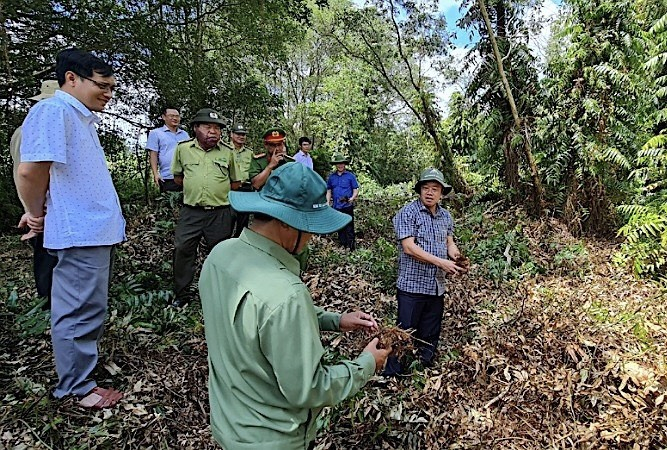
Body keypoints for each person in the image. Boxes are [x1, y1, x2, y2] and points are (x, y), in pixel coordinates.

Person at [199, 162, 391, 449]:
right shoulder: (287, 293)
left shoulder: (220, 256)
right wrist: (365, 364)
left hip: (230, 426)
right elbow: (309, 388)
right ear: (286, 222)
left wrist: (334, 320)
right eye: (309, 228)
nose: (312, 237)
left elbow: (261, 318)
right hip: (273, 438)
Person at [17, 48, 126, 408]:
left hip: (90, 228)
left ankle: (79, 378)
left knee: (84, 308)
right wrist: (35, 214)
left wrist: (43, 207)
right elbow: (31, 171)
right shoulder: (53, 111)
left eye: (112, 87)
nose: (108, 93)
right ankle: (77, 388)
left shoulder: (77, 118)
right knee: (79, 310)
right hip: (81, 231)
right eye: (102, 85)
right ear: (71, 79)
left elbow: (58, 178)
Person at [382, 168, 464, 377]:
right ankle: (394, 375)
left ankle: (422, 370)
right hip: (412, 285)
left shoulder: (446, 217)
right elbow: (409, 248)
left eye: (434, 189)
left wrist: (457, 259)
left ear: (441, 193)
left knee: (429, 332)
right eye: (425, 188)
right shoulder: (408, 213)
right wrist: (441, 263)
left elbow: (449, 244)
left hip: (436, 286)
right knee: (403, 333)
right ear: (419, 190)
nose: (429, 192)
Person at [170, 108, 240, 307]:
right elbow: (178, 178)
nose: (213, 132)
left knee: (221, 253)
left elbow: (235, 182)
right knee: (183, 249)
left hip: (220, 213)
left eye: (217, 128)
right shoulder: (183, 149)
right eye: (208, 127)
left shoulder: (228, 153)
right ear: (195, 128)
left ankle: (220, 293)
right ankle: (182, 295)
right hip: (191, 212)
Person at [11, 80, 60, 306]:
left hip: (44, 205)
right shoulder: (30, 132)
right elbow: (28, 172)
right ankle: (47, 304)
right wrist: (34, 211)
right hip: (40, 206)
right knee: (46, 258)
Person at [146, 106, 190, 192]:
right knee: (170, 203)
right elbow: (153, 155)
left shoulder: (184, 134)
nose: (175, 118)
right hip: (167, 177)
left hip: (186, 176)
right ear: (164, 117)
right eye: (171, 116)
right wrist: (155, 174)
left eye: (177, 116)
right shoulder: (156, 133)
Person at [326, 153, 359, 250]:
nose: (340, 165)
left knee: (349, 227)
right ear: (336, 165)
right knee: (340, 227)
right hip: (336, 206)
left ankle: (351, 247)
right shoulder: (332, 177)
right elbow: (328, 190)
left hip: (347, 205)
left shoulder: (350, 176)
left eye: (342, 163)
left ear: (344, 164)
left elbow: (355, 188)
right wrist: (328, 202)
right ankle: (343, 245)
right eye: (338, 164)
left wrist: (352, 198)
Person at [228, 123, 254, 237]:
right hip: (230, 188)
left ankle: (240, 241)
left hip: (246, 189)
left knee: (243, 220)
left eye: (243, 134)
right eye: (238, 134)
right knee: (228, 218)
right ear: (231, 134)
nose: (241, 137)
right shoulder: (225, 150)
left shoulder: (250, 153)